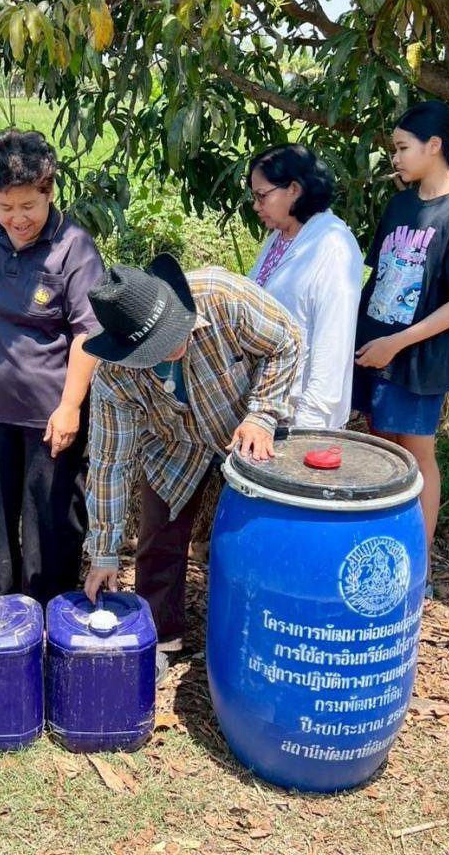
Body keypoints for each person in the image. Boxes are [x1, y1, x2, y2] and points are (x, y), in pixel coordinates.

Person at [80, 255, 302, 678]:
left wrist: (263, 413)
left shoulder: (223, 297)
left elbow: (287, 341)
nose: (171, 347)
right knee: (158, 535)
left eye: (173, 333)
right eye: (155, 348)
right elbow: (110, 464)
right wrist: (104, 553)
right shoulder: (114, 379)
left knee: (263, 534)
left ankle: (262, 632)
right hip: (174, 442)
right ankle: (160, 639)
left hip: (246, 423)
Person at [0, 129, 105, 605]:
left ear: (48, 191)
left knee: (50, 527)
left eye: (28, 206)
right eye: (4, 207)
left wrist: (70, 406)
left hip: (49, 414)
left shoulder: (74, 246)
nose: (17, 218)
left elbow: (88, 333)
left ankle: (51, 616)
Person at [352, 101, 449, 549]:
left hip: (417, 358)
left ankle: (419, 557)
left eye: (402, 147)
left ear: (434, 146)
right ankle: (384, 545)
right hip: (373, 347)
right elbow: (378, 279)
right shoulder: (400, 204)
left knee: (416, 456)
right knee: (381, 450)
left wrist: (398, 343)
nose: (395, 158)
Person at [247, 144, 364, 429]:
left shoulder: (332, 245)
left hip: (302, 413)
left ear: (294, 190)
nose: (256, 206)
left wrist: (311, 421)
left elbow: (334, 339)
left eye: (262, 196)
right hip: (268, 403)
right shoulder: (280, 238)